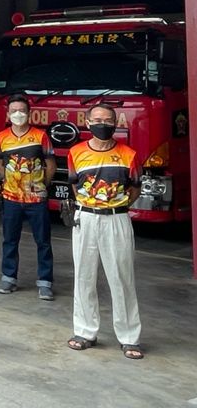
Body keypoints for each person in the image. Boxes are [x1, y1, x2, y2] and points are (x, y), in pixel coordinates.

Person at [66, 103, 144, 359]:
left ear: (115, 123)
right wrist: (90, 206)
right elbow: (75, 187)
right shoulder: (75, 152)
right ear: (87, 123)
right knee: (84, 276)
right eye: (97, 119)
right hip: (86, 218)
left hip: (116, 219)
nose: (103, 124)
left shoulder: (129, 154)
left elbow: (134, 189)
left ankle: (129, 337)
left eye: (108, 119)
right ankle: (85, 331)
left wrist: (115, 206)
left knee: (122, 277)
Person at [0, 94, 56, 300]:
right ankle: (8, 277)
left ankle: (45, 282)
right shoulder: (1, 138)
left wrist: (40, 186)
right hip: (11, 199)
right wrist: (11, 181)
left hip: (36, 199)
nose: (18, 114)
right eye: (14, 111)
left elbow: (50, 164)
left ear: (29, 113)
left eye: (22, 110)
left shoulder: (41, 136)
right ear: (8, 113)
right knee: (10, 240)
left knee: (43, 241)